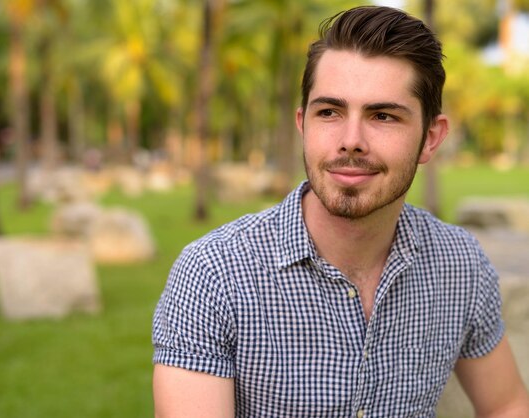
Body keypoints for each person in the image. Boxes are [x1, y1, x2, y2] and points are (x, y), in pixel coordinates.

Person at [152, 5, 529, 417]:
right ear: (303, 124)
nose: (351, 141)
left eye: (383, 115)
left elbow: (506, 404)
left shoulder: (461, 265)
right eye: (329, 112)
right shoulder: (214, 275)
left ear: (430, 139)